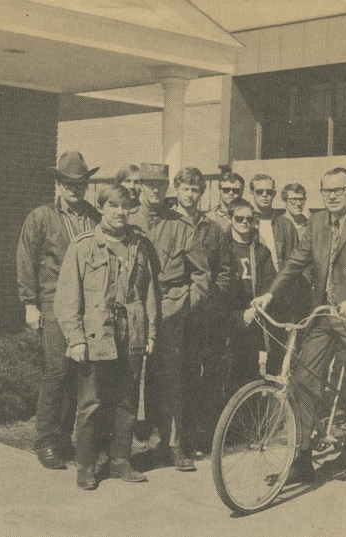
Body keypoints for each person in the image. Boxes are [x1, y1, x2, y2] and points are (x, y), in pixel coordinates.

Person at [253, 167, 346, 503]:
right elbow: (296, 261)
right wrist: (271, 293)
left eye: (338, 190)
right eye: (326, 190)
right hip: (323, 314)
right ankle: (302, 458)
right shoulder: (316, 222)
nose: (331, 196)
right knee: (303, 380)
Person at [55, 184, 158, 490]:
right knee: (91, 403)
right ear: (100, 208)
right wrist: (75, 339)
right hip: (96, 333)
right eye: (113, 206)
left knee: (127, 401)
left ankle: (120, 461)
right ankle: (86, 465)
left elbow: (149, 291)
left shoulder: (139, 245)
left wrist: (150, 332)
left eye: (126, 206)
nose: (120, 212)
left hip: (131, 334)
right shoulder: (83, 245)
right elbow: (67, 297)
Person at [16, 151, 101, 470]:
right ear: (58, 183)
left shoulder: (94, 217)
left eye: (80, 183)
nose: (74, 189)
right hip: (52, 302)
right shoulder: (41, 217)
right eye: (68, 183)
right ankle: (46, 442)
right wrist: (29, 304)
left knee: (77, 374)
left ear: (87, 184)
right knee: (56, 371)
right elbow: (26, 261)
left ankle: (66, 439)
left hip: (86, 306)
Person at [128, 163, 211, 471]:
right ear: (139, 186)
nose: (155, 190)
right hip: (134, 308)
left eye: (160, 185)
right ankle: (121, 449)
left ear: (167, 188)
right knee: (127, 378)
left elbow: (202, 274)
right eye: (149, 184)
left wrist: (186, 304)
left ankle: (173, 444)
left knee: (170, 379)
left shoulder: (180, 226)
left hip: (169, 308)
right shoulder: (127, 218)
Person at [173, 167, 233, 454]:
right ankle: (176, 439)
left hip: (204, 315)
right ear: (177, 189)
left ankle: (201, 435)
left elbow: (224, 270)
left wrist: (212, 299)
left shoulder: (213, 229)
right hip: (174, 312)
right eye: (185, 188)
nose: (190, 194)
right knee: (179, 375)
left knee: (205, 376)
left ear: (201, 193)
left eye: (195, 190)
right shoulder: (168, 223)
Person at [224, 198, 276, 393]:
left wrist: (254, 311)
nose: (245, 222)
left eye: (249, 218)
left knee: (247, 372)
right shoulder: (223, 246)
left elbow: (269, 282)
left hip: (252, 317)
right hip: (228, 317)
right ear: (230, 218)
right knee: (224, 371)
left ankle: (245, 419)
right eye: (239, 218)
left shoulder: (261, 250)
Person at [250, 174, 298, 272]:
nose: (264, 195)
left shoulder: (286, 225)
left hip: (279, 282)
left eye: (269, 192)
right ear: (252, 193)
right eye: (259, 191)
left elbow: (296, 259)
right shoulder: (244, 222)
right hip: (253, 282)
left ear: (274, 194)